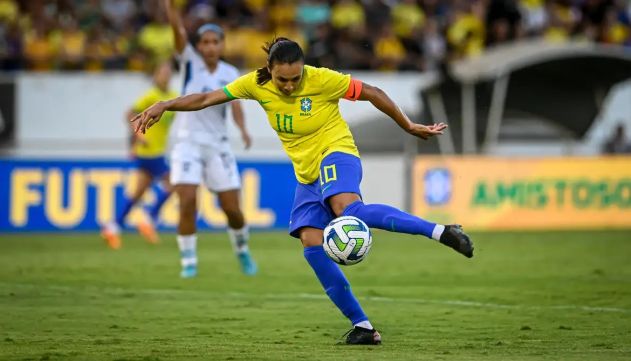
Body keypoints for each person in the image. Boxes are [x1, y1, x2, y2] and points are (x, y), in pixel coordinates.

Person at [131, 37, 474, 345]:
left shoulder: (323, 79)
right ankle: (364, 327)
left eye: (296, 79)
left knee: (348, 210)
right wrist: (166, 104)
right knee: (312, 243)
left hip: (337, 153)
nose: (291, 86)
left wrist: (408, 125)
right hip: (307, 174)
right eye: (283, 79)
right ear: (269, 70)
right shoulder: (255, 83)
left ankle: (441, 231)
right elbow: (207, 97)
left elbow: (372, 92)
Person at [163, 0, 256, 278]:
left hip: (217, 145)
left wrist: (242, 129)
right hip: (188, 143)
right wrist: (170, 8)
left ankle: (241, 250)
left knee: (232, 210)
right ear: (199, 45)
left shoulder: (229, 73)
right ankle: (188, 261)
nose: (211, 46)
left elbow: (235, 104)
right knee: (188, 200)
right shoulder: (189, 61)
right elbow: (177, 31)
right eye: (205, 41)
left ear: (222, 45)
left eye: (215, 41)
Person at [101, 61, 176, 250]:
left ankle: (113, 227)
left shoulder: (173, 96)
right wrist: (137, 136)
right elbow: (129, 114)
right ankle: (149, 219)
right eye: (162, 72)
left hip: (156, 150)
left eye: (168, 72)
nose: (165, 75)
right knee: (173, 182)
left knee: (138, 193)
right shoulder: (151, 96)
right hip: (150, 150)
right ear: (155, 76)